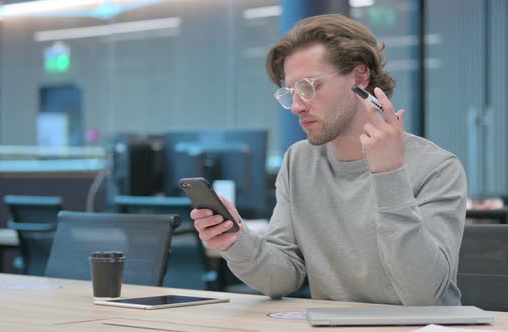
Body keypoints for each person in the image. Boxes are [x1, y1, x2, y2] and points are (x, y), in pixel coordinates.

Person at [191, 14, 467, 306]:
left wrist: (389, 175)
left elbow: (422, 294)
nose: (296, 106)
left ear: (359, 77)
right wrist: (235, 242)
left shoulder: (438, 168)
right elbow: (284, 276)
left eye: (309, 86)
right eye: (291, 93)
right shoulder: (299, 162)